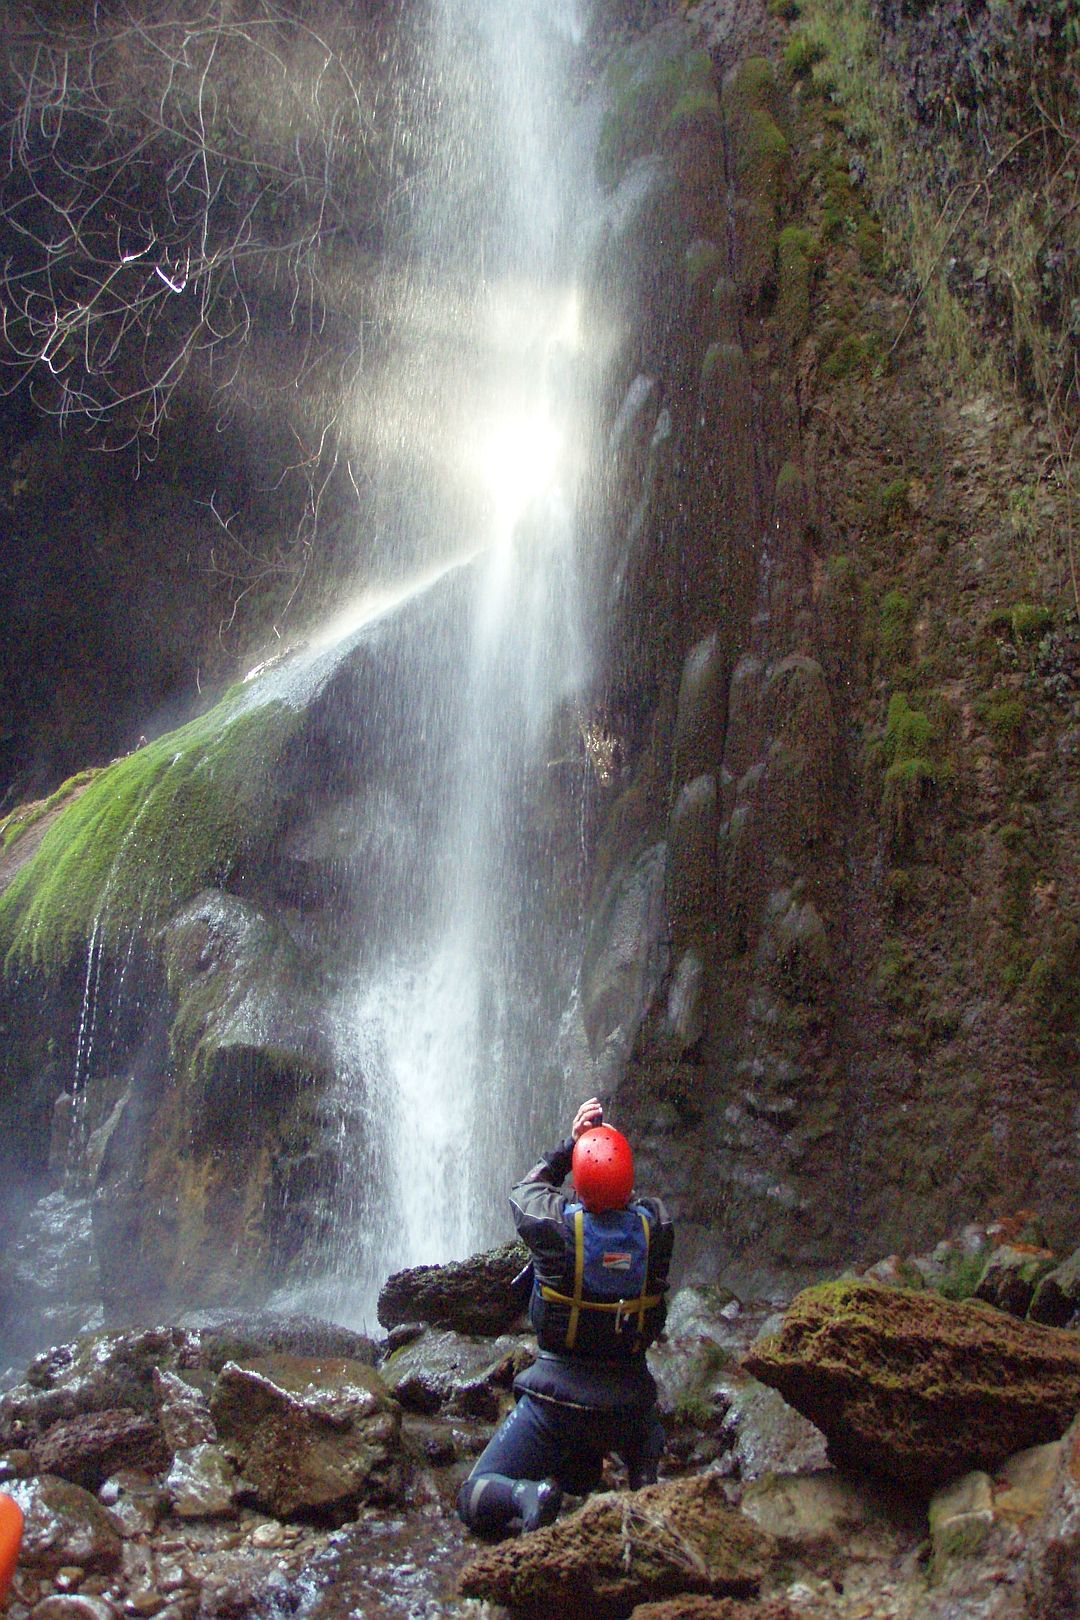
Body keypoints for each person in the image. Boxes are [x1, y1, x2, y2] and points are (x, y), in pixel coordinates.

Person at [457, 1097, 674, 1537]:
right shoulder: (659, 1229)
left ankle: (526, 1496)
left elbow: (524, 1192)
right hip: (630, 1405)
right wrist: (611, 1165)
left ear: (579, 1184)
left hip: (558, 1405)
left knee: (473, 1494)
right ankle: (644, 1479)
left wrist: (570, 1148)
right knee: (632, 1435)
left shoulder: (555, 1231)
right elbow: (637, 1208)